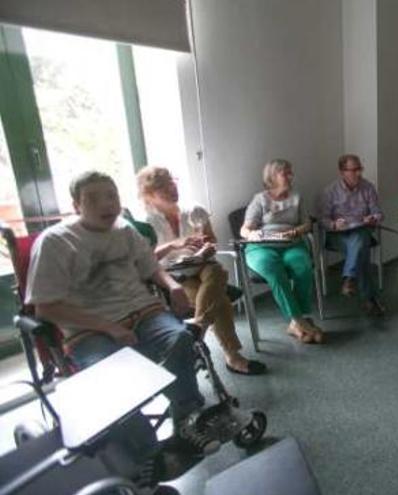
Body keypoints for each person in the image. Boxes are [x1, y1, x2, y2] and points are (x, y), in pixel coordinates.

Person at [25, 171, 219, 454]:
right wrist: (108, 327)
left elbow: (151, 268)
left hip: (144, 313)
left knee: (180, 339)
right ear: (76, 205)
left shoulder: (125, 229)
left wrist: (173, 285)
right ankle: (147, 453)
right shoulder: (55, 242)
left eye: (111, 196)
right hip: (89, 330)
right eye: (93, 199)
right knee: (114, 381)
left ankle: (187, 419)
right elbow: (45, 307)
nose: (106, 205)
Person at [136, 165, 266, 375]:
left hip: (201, 265)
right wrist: (173, 245)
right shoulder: (144, 223)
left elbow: (212, 240)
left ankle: (198, 328)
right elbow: (144, 262)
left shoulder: (194, 210)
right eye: (164, 188)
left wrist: (207, 248)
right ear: (149, 196)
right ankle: (233, 356)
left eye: (172, 183)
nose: (172, 189)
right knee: (220, 299)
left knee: (215, 271)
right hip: (172, 275)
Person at [241, 159, 324, 343]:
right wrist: (253, 235)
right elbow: (245, 230)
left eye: (290, 172)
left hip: (291, 244)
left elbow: (307, 223)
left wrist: (295, 231)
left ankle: (297, 322)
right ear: (272, 176)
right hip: (261, 248)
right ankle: (299, 321)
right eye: (285, 173)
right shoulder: (260, 199)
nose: (290, 176)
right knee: (274, 270)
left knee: (303, 267)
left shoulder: (297, 197)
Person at [317, 154, 385, 316]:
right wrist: (333, 224)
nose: (358, 174)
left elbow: (378, 213)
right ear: (342, 172)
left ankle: (349, 278)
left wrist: (373, 218)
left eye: (359, 169)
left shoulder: (368, 187)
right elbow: (322, 219)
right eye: (353, 170)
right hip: (338, 236)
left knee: (360, 239)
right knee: (362, 248)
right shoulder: (330, 191)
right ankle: (369, 299)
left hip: (361, 230)